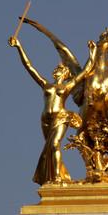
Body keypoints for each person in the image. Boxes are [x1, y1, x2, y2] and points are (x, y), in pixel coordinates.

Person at [8, 36, 97, 185]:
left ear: (65, 74)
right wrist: (19, 46)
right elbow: (29, 67)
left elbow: (86, 71)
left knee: (55, 144)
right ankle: (55, 174)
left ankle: (56, 177)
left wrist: (92, 54)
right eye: (56, 69)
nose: (56, 70)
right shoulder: (46, 85)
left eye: (60, 69)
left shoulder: (67, 87)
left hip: (61, 118)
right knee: (49, 149)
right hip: (46, 120)